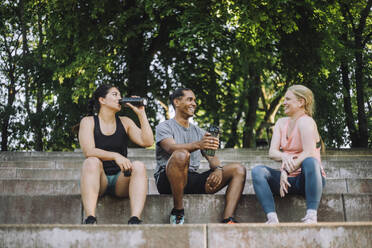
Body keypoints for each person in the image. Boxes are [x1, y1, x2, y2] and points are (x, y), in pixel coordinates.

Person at [154, 88, 246, 224]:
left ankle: (228, 219)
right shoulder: (164, 127)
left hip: (191, 178)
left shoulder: (200, 132)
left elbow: (212, 159)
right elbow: (171, 148)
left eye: (195, 100)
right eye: (190, 99)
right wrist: (198, 144)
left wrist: (218, 169)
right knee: (181, 155)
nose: (194, 103)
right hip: (168, 179)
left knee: (238, 169)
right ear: (177, 102)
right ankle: (178, 210)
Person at [78, 85, 154, 224]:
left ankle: (135, 219)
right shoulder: (88, 122)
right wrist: (115, 156)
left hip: (121, 181)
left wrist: (141, 114)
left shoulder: (125, 122)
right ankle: (90, 218)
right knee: (91, 161)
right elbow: (89, 151)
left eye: (120, 95)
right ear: (102, 100)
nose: (119, 98)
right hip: (98, 180)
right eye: (114, 94)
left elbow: (148, 141)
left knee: (139, 166)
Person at [251, 85, 326, 224]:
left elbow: (309, 152)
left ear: (300, 102)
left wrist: (286, 169)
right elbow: (272, 152)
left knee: (310, 161)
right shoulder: (281, 123)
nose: (284, 103)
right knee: (257, 171)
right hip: (286, 182)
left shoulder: (306, 121)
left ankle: (311, 216)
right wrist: (284, 157)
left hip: (308, 180)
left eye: (288, 99)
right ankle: (272, 218)